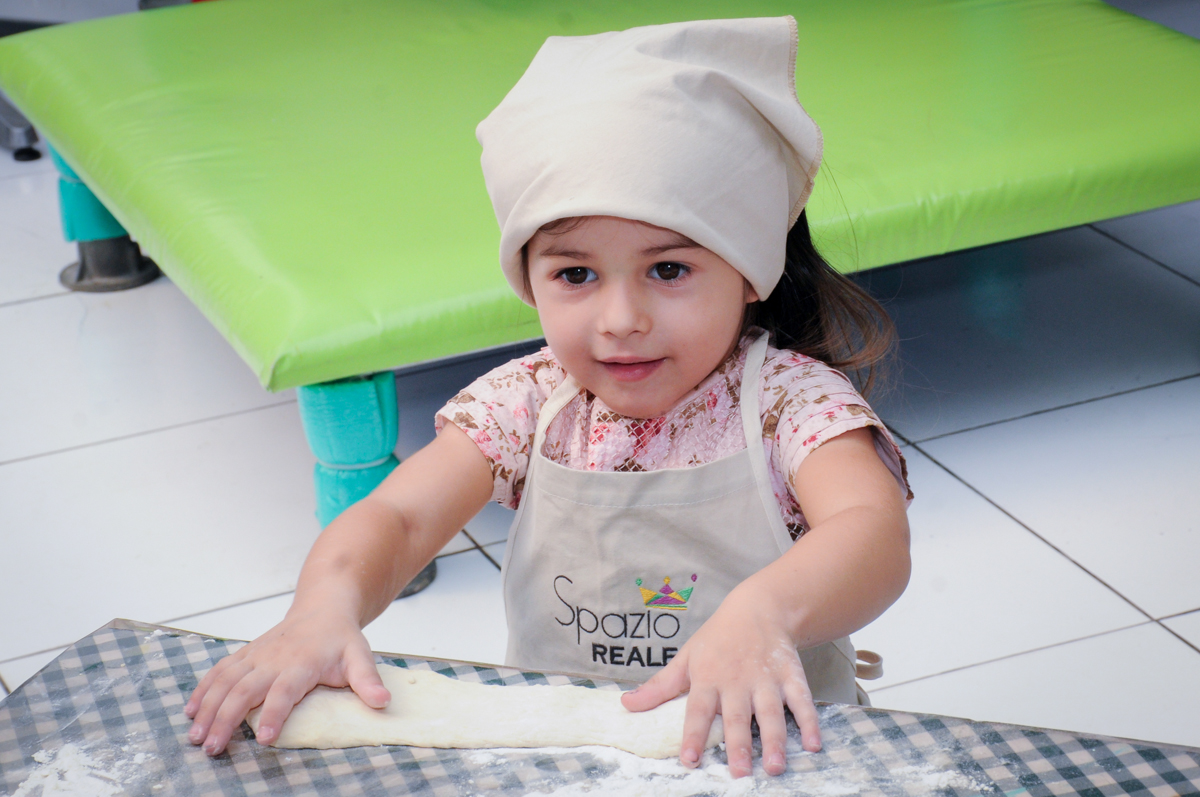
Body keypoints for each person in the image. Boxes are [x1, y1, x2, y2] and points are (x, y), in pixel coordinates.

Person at [185, 15, 912, 778]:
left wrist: (766, 613)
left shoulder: (789, 404)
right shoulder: (528, 402)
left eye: (668, 270)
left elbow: (871, 531)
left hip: (768, 757)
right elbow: (398, 518)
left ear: (751, 266)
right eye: (576, 274)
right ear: (529, 278)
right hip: (566, 765)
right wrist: (321, 609)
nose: (621, 319)